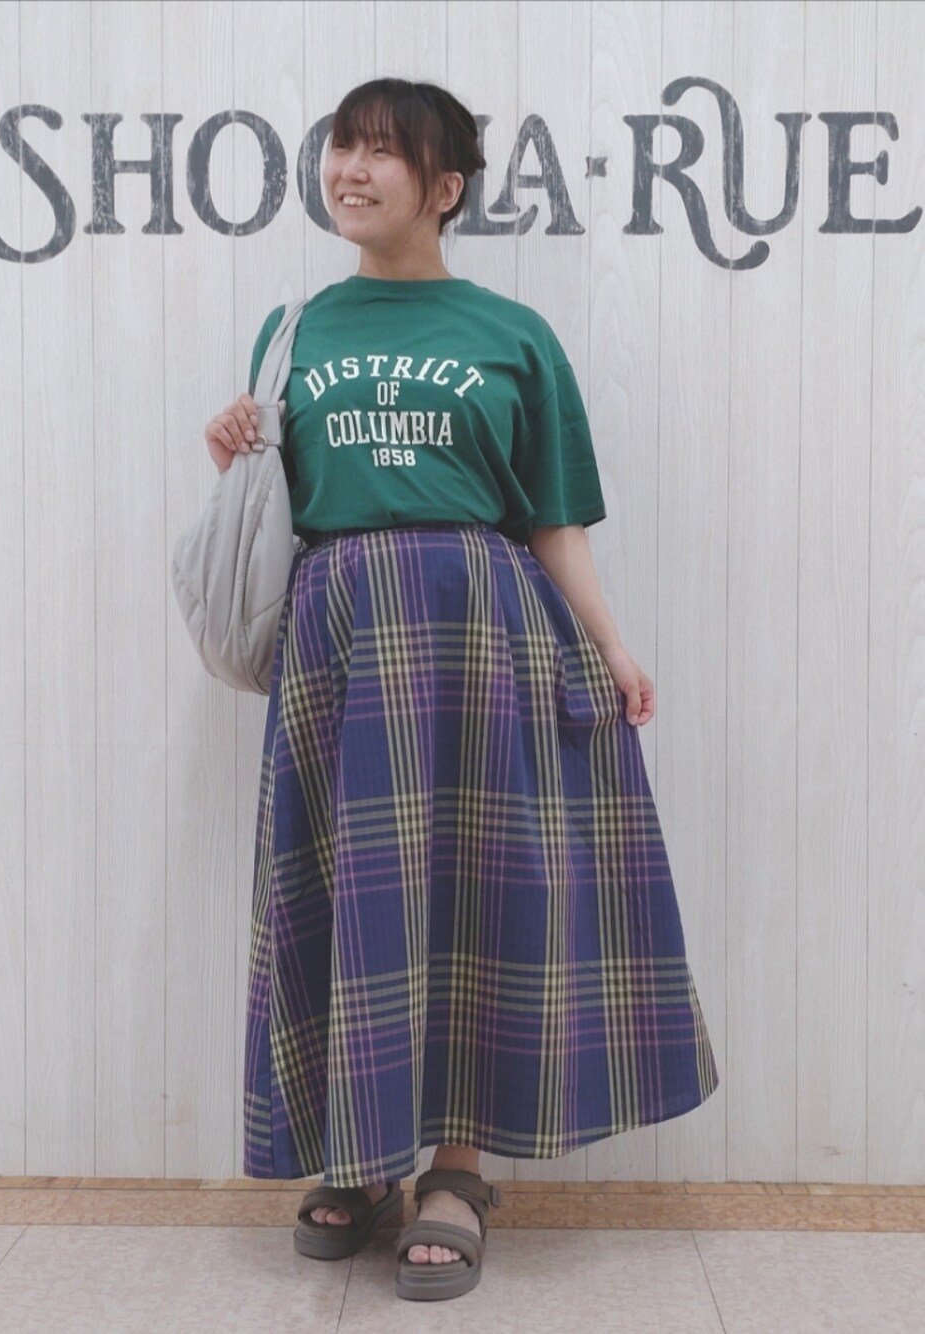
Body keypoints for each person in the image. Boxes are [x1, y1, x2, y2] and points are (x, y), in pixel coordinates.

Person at [204, 78, 718, 1303]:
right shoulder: (293, 329)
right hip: (339, 640)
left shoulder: (512, 335)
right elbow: (275, 507)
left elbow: (553, 518)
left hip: (485, 634)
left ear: (445, 187)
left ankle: (454, 1170)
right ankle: (358, 1151)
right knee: (345, 888)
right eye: (342, 146)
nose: (351, 169)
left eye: (382, 152)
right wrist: (230, 448)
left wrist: (614, 646)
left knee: (478, 893)